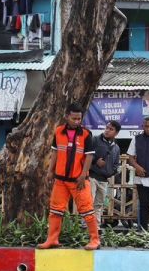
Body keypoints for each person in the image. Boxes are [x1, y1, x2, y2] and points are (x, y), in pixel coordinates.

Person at [38, 104, 101, 251]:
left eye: (79, 118)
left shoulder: (86, 134)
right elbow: (55, 153)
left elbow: (89, 156)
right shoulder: (59, 131)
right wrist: (50, 171)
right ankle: (52, 239)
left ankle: (95, 240)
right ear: (67, 116)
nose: (77, 121)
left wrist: (83, 175)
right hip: (60, 180)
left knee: (87, 211)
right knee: (55, 211)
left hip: (78, 180)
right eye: (74, 118)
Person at [88, 120, 121, 218]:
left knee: (99, 205)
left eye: (111, 129)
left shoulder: (116, 148)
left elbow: (116, 164)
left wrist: (110, 172)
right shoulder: (94, 140)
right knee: (89, 203)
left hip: (104, 180)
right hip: (91, 177)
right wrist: (95, 161)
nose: (107, 130)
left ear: (116, 133)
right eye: (107, 128)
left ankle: (96, 228)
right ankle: (85, 227)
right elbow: (86, 156)